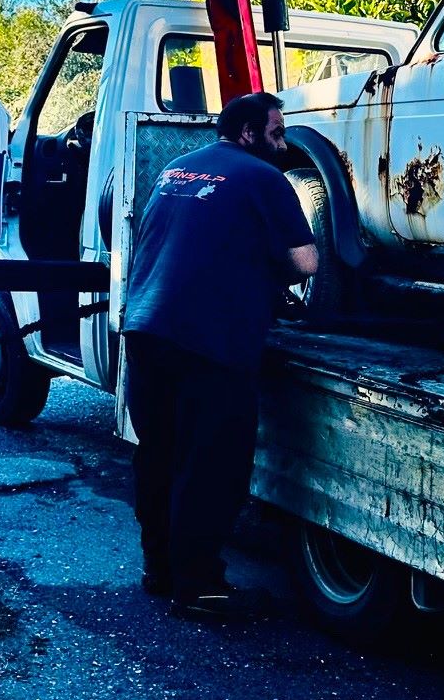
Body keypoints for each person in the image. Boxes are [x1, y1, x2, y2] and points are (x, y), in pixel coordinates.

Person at [121, 91, 318, 619]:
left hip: (145, 329)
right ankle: (200, 587)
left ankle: (160, 571)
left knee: (159, 455)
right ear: (250, 133)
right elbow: (306, 263)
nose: (283, 142)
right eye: (276, 133)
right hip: (209, 342)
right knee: (211, 466)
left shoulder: (175, 169)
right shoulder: (265, 178)